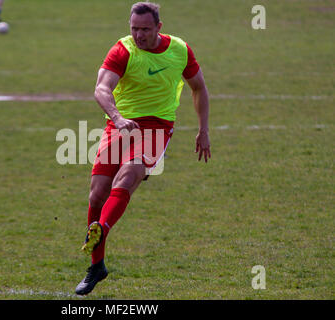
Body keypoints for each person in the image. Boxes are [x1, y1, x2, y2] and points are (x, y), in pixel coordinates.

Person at [75, 2, 211, 295]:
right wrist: (118, 117)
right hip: (120, 124)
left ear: (159, 28)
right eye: (134, 28)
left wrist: (203, 130)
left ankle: (102, 230)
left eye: (145, 29)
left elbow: (198, 87)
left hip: (158, 127)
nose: (138, 34)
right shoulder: (122, 50)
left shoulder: (180, 50)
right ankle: (96, 266)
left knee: (129, 175)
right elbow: (101, 88)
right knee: (97, 193)